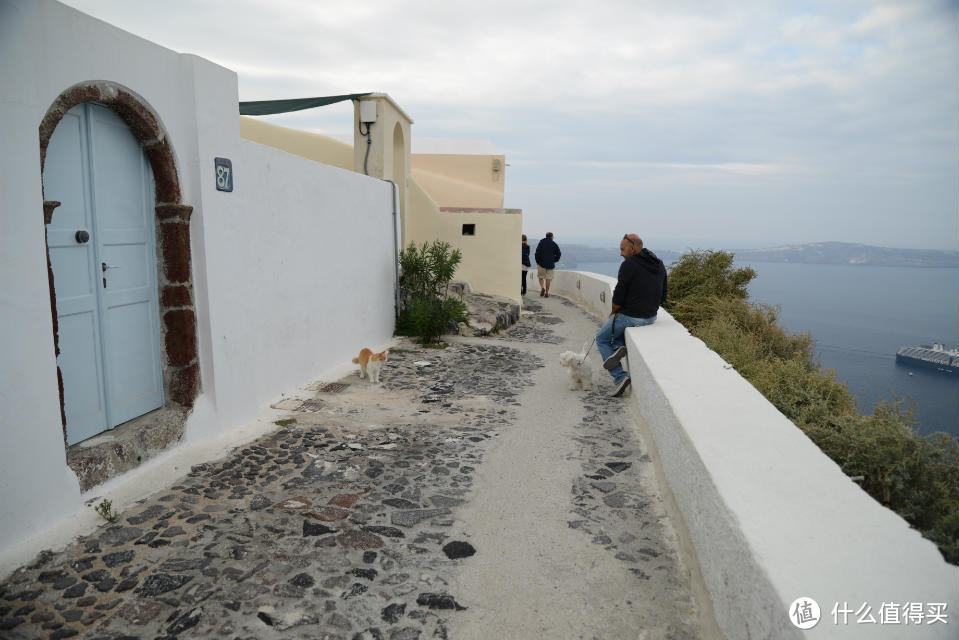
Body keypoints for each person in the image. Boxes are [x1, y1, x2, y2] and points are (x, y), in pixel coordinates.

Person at [596, 234, 667, 397]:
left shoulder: (629, 265)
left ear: (633, 248)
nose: (621, 253)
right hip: (651, 316)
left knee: (601, 338)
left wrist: (613, 312)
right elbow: (663, 295)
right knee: (616, 335)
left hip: (630, 316)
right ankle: (619, 345)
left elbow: (619, 295)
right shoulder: (659, 264)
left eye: (622, 249)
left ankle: (620, 377)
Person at [534, 232, 561, 298]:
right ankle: (547, 293)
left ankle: (542, 287)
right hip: (550, 264)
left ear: (546, 236)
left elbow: (537, 253)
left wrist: (538, 261)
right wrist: (554, 260)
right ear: (552, 237)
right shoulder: (554, 244)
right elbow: (559, 254)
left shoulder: (541, 243)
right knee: (548, 279)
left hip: (541, 264)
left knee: (540, 277)